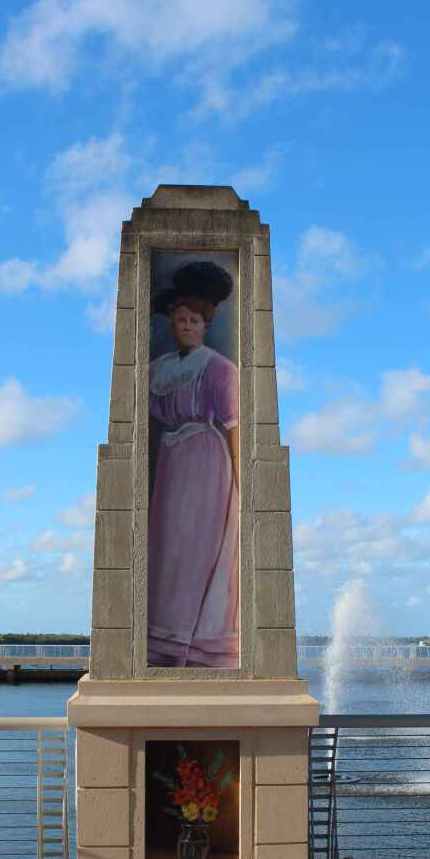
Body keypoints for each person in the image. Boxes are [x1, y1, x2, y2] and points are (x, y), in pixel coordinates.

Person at [147, 260, 239, 668]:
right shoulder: (157, 370)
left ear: (205, 325)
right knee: (167, 546)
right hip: (171, 461)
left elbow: (236, 425)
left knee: (195, 546)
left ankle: (195, 642)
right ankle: (163, 638)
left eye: (194, 320)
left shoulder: (219, 368)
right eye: (180, 319)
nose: (186, 325)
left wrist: (241, 474)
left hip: (206, 462)